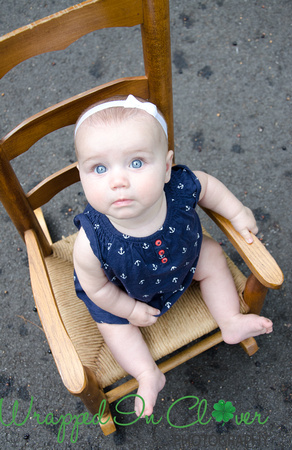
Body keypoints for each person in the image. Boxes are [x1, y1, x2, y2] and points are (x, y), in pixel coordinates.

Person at [73, 94, 273, 418]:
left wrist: (238, 212)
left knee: (211, 256)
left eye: (136, 163)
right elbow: (96, 289)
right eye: (98, 168)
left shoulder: (178, 188)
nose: (118, 181)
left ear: (166, 168)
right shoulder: (91, 242)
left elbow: (208, 188)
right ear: (81, 175)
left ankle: (230, 321)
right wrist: (129, 308)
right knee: (112, 324)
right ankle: (146, 373)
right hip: (124, 290)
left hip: (184, 262)